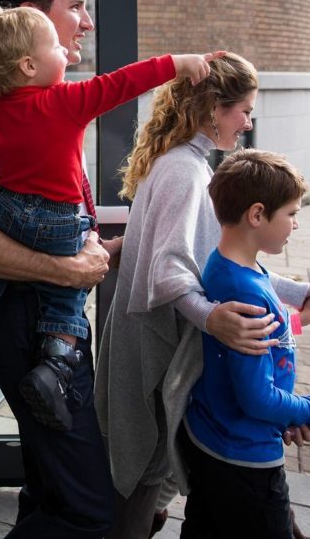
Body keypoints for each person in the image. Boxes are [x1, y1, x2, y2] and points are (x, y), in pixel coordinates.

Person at [0, 0, 273, 538]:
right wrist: (68, 269)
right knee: (90, 506)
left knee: (50, 480)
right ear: (30, 22)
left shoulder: (35, 103)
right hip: (20, 316)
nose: (86, 24)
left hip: (46, 311)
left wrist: (103, 245)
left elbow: (45, 205)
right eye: (75, 7)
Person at [0, 3, 215, 432]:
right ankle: (55, 363)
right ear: (29, 65)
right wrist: (180, 64)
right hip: (61, 221)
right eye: (56, 46)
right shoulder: (67, 100)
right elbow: (124, 82)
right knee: (69, 289)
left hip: (8, 214)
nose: (67, 54)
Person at [94, 53, 310, 539]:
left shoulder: (181, 163)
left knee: (159, 492)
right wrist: (211, 319)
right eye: (244, 110)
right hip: (158, 362)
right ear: (214, 108)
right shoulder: (183, 172)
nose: (249, 121)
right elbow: (171, 272)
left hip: (165, 361)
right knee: (143, 494)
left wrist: (298, 292)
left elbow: (214, 260)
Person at [180, 148, 309, 538]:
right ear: (256, 215)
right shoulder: (246, 293)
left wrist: (291, 414)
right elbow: (256, 399)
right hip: (244, 456)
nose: (296, 225)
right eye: (291, 214)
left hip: (211, 439)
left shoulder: (228, 264)